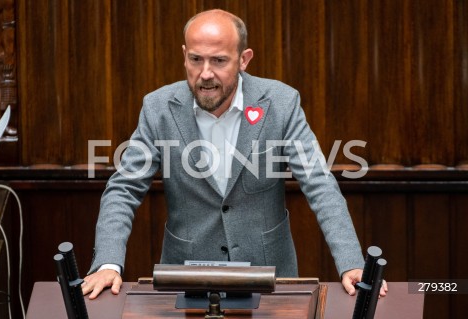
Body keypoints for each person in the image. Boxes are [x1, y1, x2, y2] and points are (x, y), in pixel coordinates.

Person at [82, 9, 388, 299]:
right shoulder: (158, 108)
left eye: (218, 60)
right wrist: (108, 263)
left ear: (244, 59)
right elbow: (124, 189)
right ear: (183, 55)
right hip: (186, 279)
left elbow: (319, 184)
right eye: (195, 59)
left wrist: (351, 262)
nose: (205, 73)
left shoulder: (280, 103)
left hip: (270, 280)